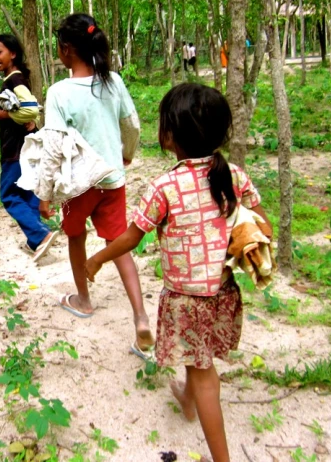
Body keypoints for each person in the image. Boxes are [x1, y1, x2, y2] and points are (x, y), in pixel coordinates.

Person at [85, 83, 272, 462]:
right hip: (222, 293)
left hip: (187, 301)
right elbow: (263, 226)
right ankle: (187, 400)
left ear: (169, 135)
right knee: (199, 359)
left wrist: (98, 259)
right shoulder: (233, 174)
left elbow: (132, 238)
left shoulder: (165, 187)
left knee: (204, 373)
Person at [36, 13, 152, 352]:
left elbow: (53, 145)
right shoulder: (113, 81)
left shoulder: (59, 92)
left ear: (67, 49)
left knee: (76, 237)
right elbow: (132, 124)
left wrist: (44, 195)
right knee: (119, 244)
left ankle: (84, 300)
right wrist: (126, 154)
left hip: (78, 185)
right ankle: (141, 316)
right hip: (112, 179)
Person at [0, 34, 58, 262]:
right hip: (24, 147)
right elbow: (29, 107)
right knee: (27, 193)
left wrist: (1, 115)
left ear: (13, 54)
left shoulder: (14, 80)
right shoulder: (14, 78)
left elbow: (31, 110)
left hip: (15, 150)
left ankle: (40, 234)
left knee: (8, 195)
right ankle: (34, 240)